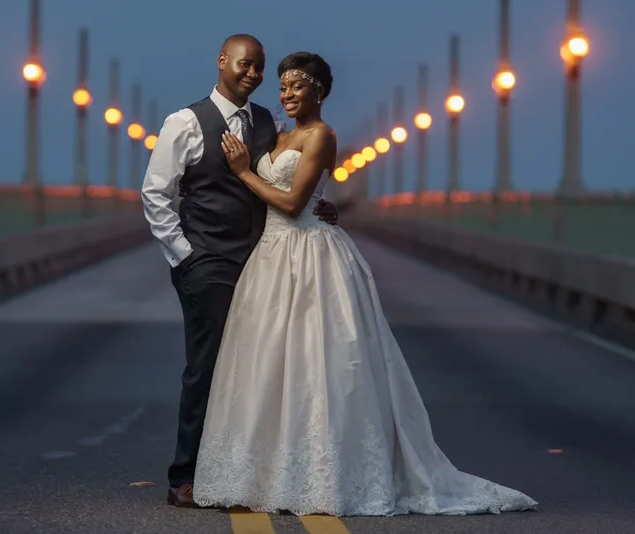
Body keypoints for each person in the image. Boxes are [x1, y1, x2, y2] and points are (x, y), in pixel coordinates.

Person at [191, 51, 539, 517]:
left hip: (310, 256)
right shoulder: (278, 135)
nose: (288, 94)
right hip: (270, 258)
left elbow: (294, 203)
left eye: (298, 86)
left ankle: (324, 473)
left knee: (321, 365)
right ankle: (267, 474)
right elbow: (291, 199)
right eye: (283, 87)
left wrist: (244, 172)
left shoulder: (322, 136)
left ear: (320, 91)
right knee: (268, 366)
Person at [141, 34, 339, 508]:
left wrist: (318, 205)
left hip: (261, 262)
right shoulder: (185, 121)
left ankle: (243, 473)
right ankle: (183, 478)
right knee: (206, 369)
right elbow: (155, 193)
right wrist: (184, 255)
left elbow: (284, 179)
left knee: (252, 371)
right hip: (205, 262)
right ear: (222, 61)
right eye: (245, 65)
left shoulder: (267, 122)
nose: (252, 75)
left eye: (259, 70)